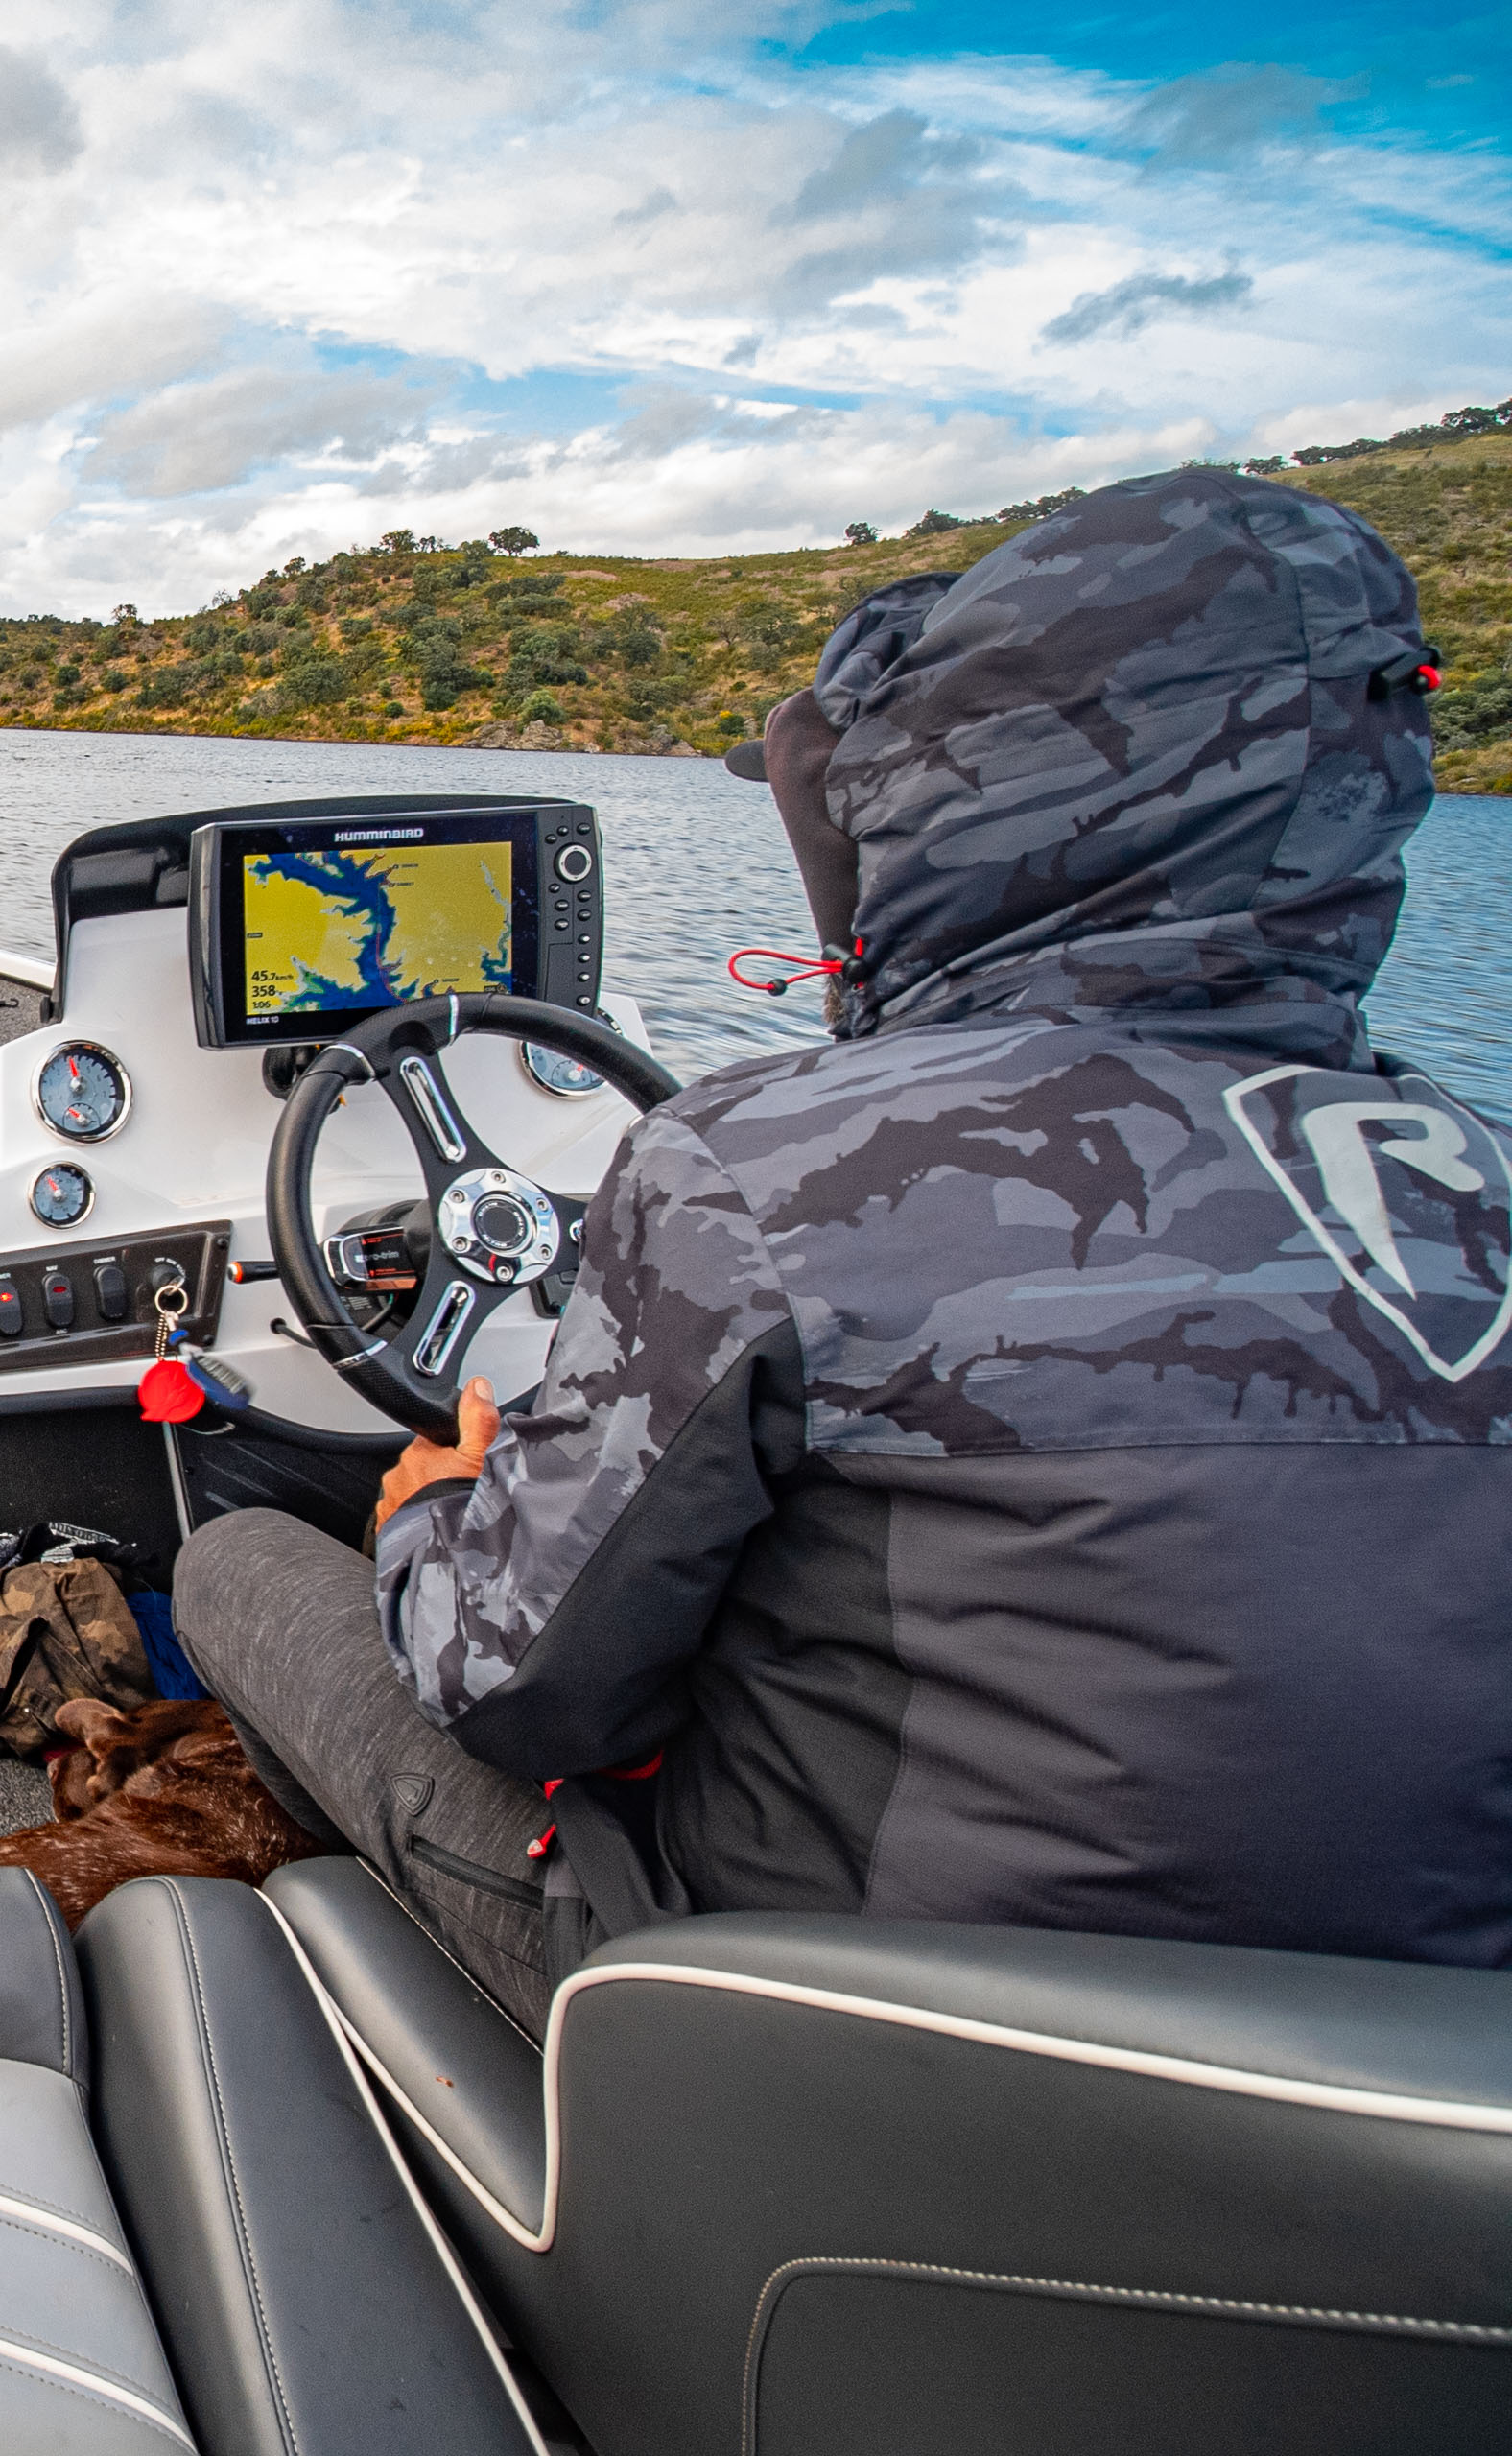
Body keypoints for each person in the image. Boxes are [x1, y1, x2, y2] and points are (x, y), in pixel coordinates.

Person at [177, 469, 1506, 2038]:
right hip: (1391, 2134)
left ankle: (374, 2025)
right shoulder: (1473, 1169)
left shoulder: (760, 1168)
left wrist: (438, 1514)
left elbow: (524, 1687)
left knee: (234, 1565)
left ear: (950, 810)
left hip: (812, 2054)